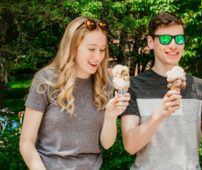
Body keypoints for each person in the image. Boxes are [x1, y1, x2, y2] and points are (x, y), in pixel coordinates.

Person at [19, 16, 130, 170]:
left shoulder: (106, 83)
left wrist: (111, 116)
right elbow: (26, 142)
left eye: (102, 49)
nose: (98, 57)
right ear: (73, 47)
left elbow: (106, 143)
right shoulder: (46, 81)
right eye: (91, 49)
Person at [120, 12, 202, 170]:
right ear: (150, 42)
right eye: (165, 39)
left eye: (179, 39)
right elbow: (130, 145)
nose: (173, 45)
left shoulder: (200, 87)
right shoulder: (133, 86)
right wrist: (159, 113)